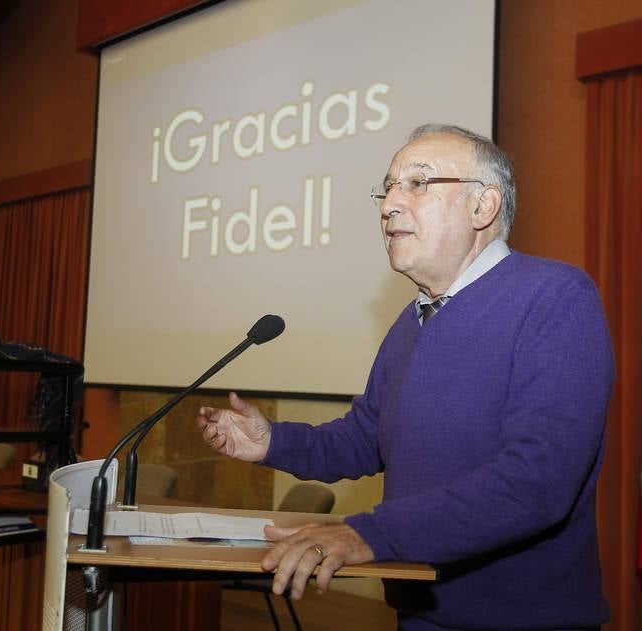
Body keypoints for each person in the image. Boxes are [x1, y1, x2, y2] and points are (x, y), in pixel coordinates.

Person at [196, 124, 614, 630]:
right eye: (388, 187)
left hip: (524, 620)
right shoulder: (413, 319)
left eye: (417, 184)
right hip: (421, 609)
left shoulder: (555, 298)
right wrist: (273, 442)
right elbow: (366, 437)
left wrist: (371, 534)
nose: (389, 204)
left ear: (483, 207)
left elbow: (536, 482)